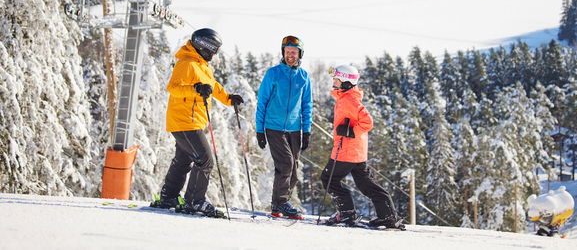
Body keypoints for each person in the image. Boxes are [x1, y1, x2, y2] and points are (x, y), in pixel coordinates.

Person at [151, 28, 244, 217]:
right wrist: (195, 88)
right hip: (185, 121)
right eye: (213, 50)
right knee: (205, 160)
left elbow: (212, 86)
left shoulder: (202, 66)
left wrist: (228, 98)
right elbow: (174, 88)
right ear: (204, 46)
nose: (214, 54)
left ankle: (169, 196)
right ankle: (195, 201)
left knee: (184, 160)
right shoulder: (186, 64)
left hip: (192, 121)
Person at [321, 64, 404, 229]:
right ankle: (387, 216)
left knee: (329, 179)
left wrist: (351, 131)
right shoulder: (346, 97)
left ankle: (347, 214)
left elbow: (368, 122)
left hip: (347, 150)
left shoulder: (349, 100)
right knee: (365, 184)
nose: (333, 81)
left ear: (345, 81)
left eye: (336, 78)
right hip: (356, 151)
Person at [255, 35, 313, 218]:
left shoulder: (304, 77)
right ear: (283, 53)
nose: (290, 55)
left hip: (295, 129)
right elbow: (262, 101)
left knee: (293, 170)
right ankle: (282, 202)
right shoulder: (273, 73)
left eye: (294, 52)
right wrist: (259, 130)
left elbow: (307, 105)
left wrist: (307, 131)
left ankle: (277, 204)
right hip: (274, 127)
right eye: (287, 52)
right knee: (286, 163)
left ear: (299, 54)